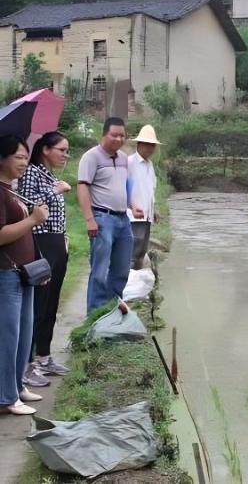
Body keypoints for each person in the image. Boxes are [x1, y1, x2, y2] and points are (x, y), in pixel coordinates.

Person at [18, 132, 71, 388]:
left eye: (67, 150)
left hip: (57, 240)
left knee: (52, 302)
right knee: (40, 301)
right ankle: (27, 364)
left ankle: (44, 356)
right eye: (61, 149)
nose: (65, 155)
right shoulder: (32, 173)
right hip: (41, 241)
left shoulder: (48, 174)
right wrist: (55, 191)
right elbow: (26, 205)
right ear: (46, 150)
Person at [0, 135, 48, 415]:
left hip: (24, 274)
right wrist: (31, 219)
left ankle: (17, 386)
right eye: (18, 156)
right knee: (7, 337)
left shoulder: (11, 190)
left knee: (23, 335)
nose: (24, 161)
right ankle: (6, 398)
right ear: (2, 158)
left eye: (26, 156)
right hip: (6, 274)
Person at [77, 118, 143, 314]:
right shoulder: (91, 157)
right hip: (102, 218)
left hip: (123, 220)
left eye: (122, 135)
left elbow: (124, 186)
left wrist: (133, 205)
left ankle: (112, 309)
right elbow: (82, 187)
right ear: (103, 135)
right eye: (114, 135)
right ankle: (95, 316)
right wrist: (90, 219)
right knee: (100, 270)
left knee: (122, 269)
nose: (119, 139)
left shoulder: (123, 158)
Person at [127, 125, 160, 270]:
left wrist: (154, 208)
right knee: (131, 252)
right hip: (133, 216)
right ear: (139, 144)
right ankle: (127, 285)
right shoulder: (129, 162)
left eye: (152, 145)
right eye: (147, 144)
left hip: (146, 216)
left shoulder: (150, 165)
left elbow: (150, 189)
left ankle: (137, 280)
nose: (150, 148)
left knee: (141, 251)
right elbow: (124, 187)